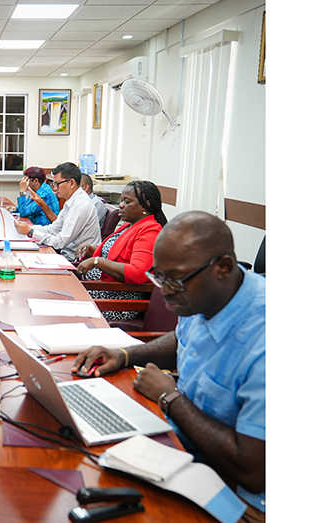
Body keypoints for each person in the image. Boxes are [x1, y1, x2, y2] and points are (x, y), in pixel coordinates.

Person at [71, 211, 265, 520]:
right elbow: (182, 338)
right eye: (158, 277)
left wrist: (170, 398)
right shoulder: (205, 295)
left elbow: (254, 471)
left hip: (239, 499)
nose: (164, 291)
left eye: (173, 280)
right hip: (182, 449)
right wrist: (125, 355)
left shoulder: (265, 343)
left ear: (223, 267)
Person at [75, 181, 167, 321]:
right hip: (98, 290)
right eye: (122, 200)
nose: (121, 205)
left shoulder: (150, 230)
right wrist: (91, 251)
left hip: (114, 302)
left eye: (127, 201)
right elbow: (115, 255)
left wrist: (97, 261)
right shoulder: (129, 225)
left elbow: (138, 273)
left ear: (146, 205)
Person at [15, 162, 101, 260]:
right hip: (65, 254)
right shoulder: (71, 201)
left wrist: (31, 232)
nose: (55, 188)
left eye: (57, 184)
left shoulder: (81, 205)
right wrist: (27, 228)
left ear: (72, 183)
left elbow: (60, 242)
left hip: (76, 261)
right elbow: (53, 229)